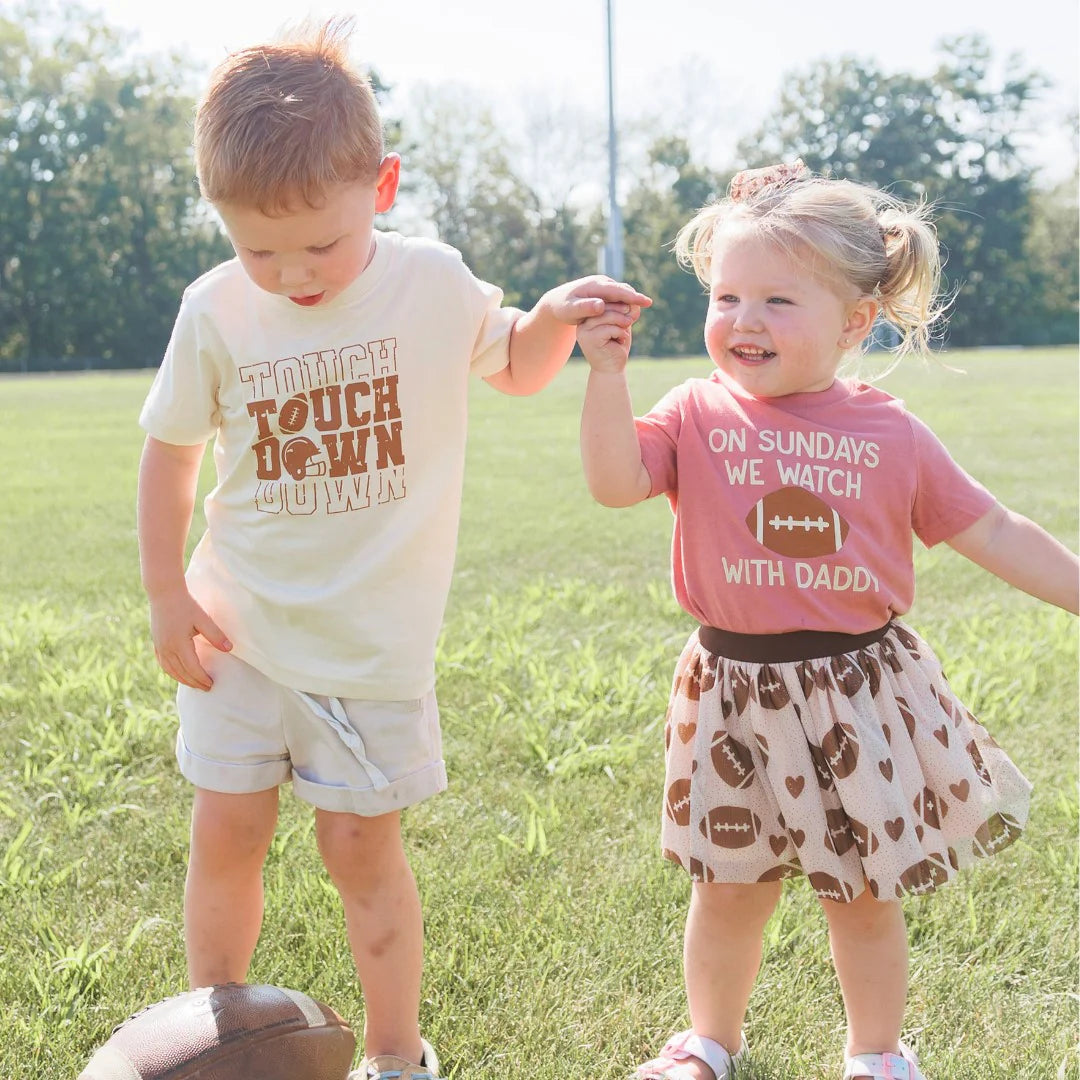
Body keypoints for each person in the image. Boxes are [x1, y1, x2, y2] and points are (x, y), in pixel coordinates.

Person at [135, 18, 649, 1080]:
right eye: (257, 247)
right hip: (237, 637)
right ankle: (211, 1044)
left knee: (359, 850)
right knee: (225, 838)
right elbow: (169, 454)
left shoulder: (428, 280)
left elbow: (510, 364)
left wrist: (553, 316)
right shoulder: (217, 309)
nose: (291, 272)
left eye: (318, 243)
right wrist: (163, 595)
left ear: (383, 184)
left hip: (371, 656)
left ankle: (397, 1053)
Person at [576, 160, 1078, 1080]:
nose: (744, 320)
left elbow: (994, 528)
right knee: (726, 887)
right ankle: (709, 1043)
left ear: (855, 322)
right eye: (726, 296)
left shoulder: (891, 432)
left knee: (862, 895)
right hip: (731, 692)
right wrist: (606, 376)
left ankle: (876, 1056)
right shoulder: (693, 411)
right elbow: (615, 484)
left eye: (776, 299)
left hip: (857, 692)